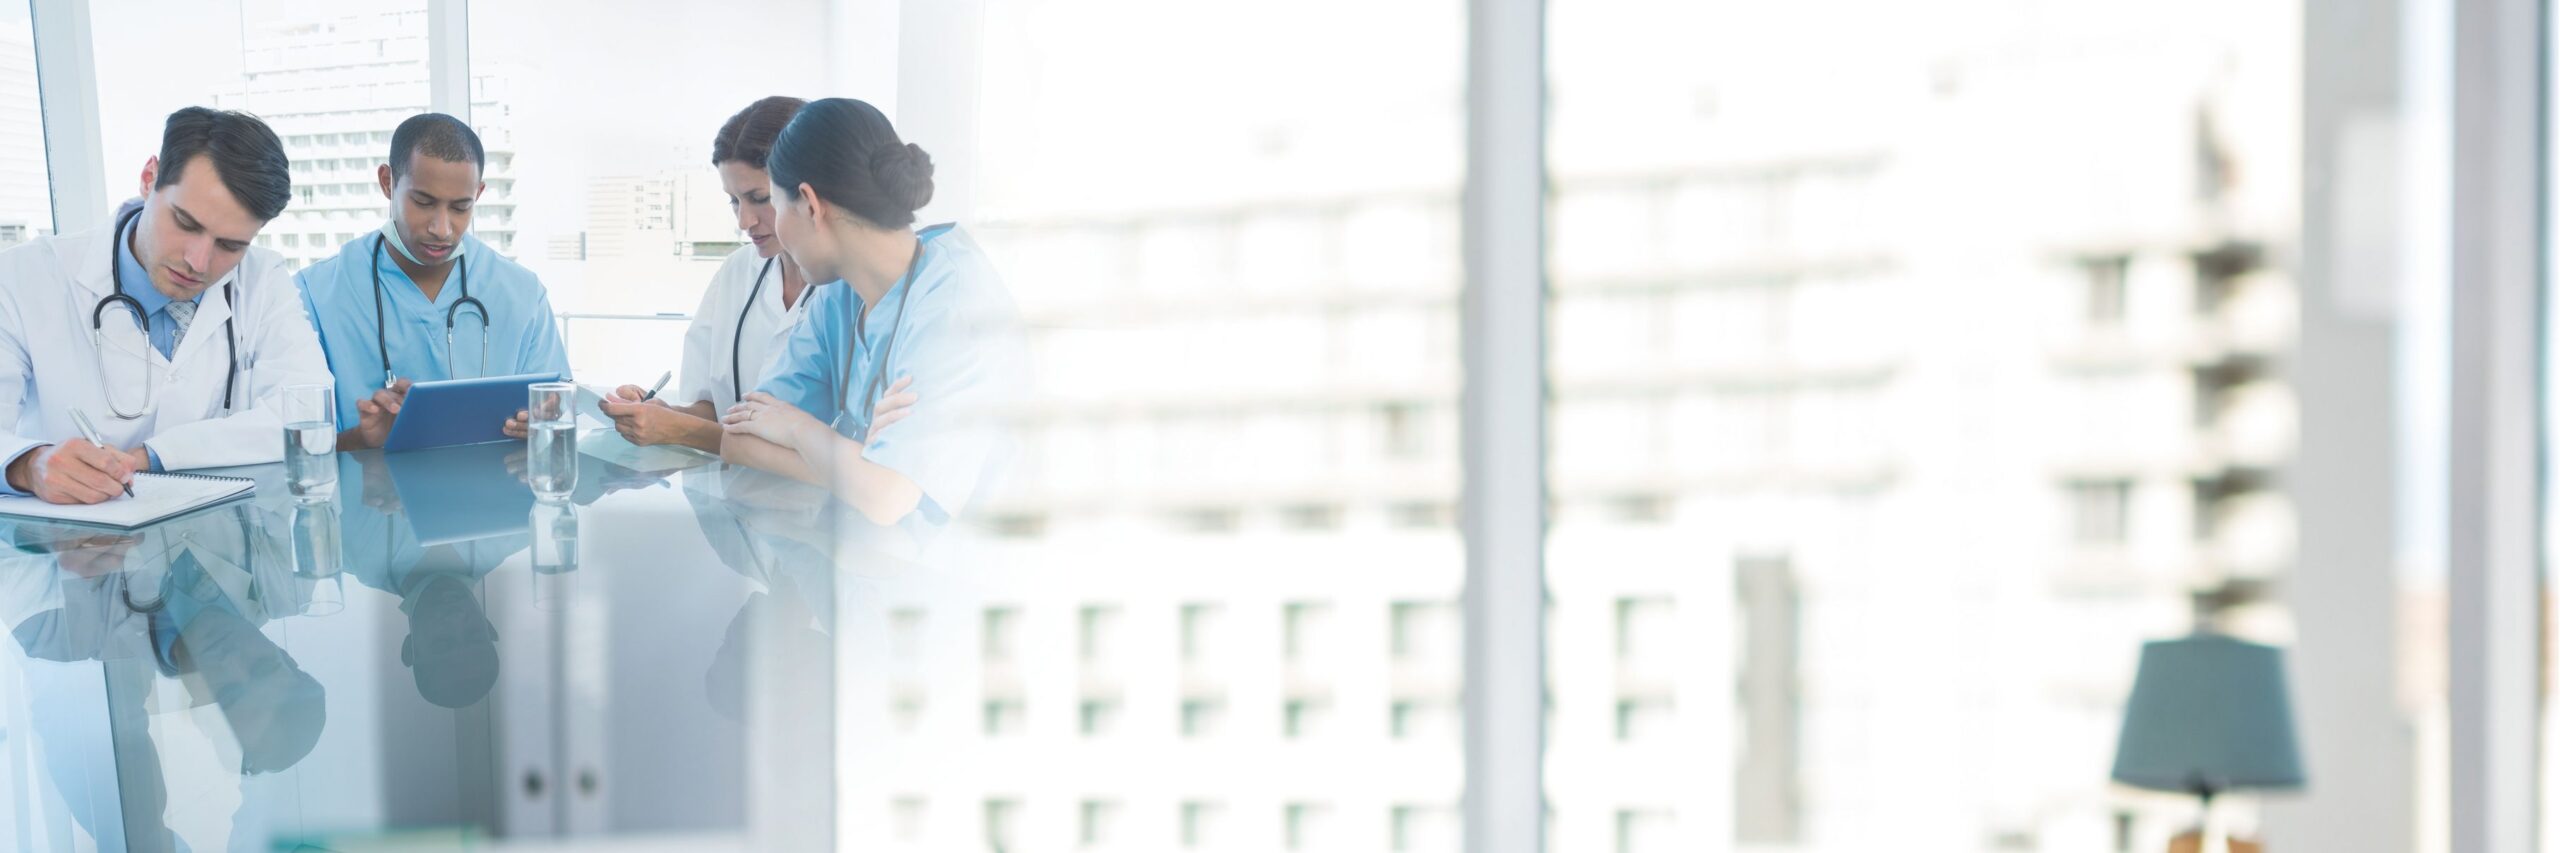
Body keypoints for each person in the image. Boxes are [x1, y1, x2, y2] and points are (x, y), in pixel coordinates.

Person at [718, 98, 1026, 540]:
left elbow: (886, 498)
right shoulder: (836, 293)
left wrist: (797, 427)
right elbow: (740, 441)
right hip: (869, 571)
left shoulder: (955, 305)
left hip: (967, 580)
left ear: (808, 204)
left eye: (774, 203)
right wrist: (860, 459)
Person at [0, 106, 334, 505]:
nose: (198, 262)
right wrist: (27, 465)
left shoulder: (262, 279)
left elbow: (307, 416)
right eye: (186, 223)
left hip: (221, 549)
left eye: (230, 245)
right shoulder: (25, 276)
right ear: (149, 178)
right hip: (79, 550)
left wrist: (150, 456)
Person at [602, 95, 904, 453]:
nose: (744, 221)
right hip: (734, 500)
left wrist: (682, 430)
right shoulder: (736, 271)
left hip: (831, 503)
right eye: (733, 200)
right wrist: (662, 417)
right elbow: (713, 407)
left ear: (806, 191)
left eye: (759, 197)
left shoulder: (858, 287)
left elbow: (854, 452)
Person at [296, 112, 572, 450]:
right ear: (388, 182)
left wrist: (544, 425)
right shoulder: (315, 293)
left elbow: (559, 414)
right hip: (366, 501)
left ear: (479, 194)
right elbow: (296, 449)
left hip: (490, 499)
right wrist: (362, 439)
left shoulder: (522, 293)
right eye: (423, 202)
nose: (442, 229)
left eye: (460, 208)